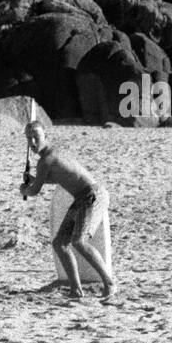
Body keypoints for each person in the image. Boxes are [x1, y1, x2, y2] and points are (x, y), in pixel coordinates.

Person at [20, 119, 118, 299]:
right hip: (82, 198)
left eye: (36, 137)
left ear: (45, 136)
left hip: (92, 196)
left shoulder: (45, 160)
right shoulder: (53, 154)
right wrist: (33, 178)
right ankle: (76, 290)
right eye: (29, 139)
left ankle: (109, 283)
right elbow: (58, 178)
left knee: (79, 241)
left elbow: (34, 191)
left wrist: (25, 188)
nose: (32, 143)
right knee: (60, 243)